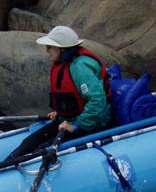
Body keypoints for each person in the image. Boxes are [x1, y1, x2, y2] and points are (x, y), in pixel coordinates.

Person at [6, 26, 112, 159]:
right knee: (28, 143)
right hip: (68, 119)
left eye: (50, 47)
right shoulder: (64, 63)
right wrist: (61, 111)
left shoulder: (80, 67)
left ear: (62, 49)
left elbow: (97, 100)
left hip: (89, 124)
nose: (47, 51)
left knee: (41, 150)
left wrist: (76, 125)